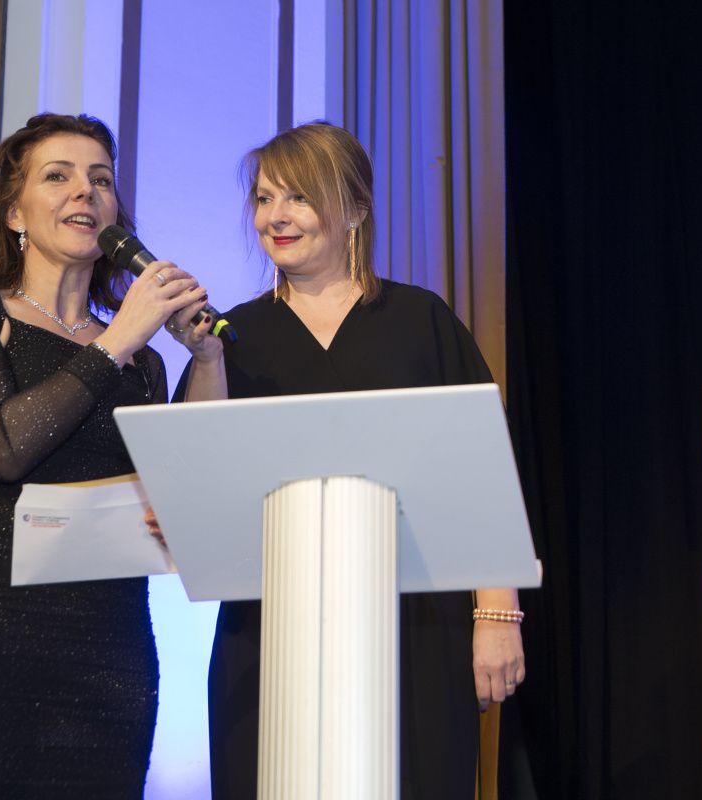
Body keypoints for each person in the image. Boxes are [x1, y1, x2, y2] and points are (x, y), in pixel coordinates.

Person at [172, 121, 525, 799]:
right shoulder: (231, 336)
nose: (275, 216)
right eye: (264, 198)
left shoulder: (421, 320)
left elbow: (481, 471)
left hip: (413, 620)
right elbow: (194, 481)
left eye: (299, 197)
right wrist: (206, 360)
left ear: (357, 209)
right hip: (271, 625)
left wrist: (496, 614)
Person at [0, 112, 217, 798]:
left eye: (101, 180)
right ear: (14, 214)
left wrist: (206, 356)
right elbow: (3, 447)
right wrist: (115, 341)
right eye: (58, 177)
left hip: (110, 655)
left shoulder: (144, 361)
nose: (85, 192)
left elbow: (187, 495)